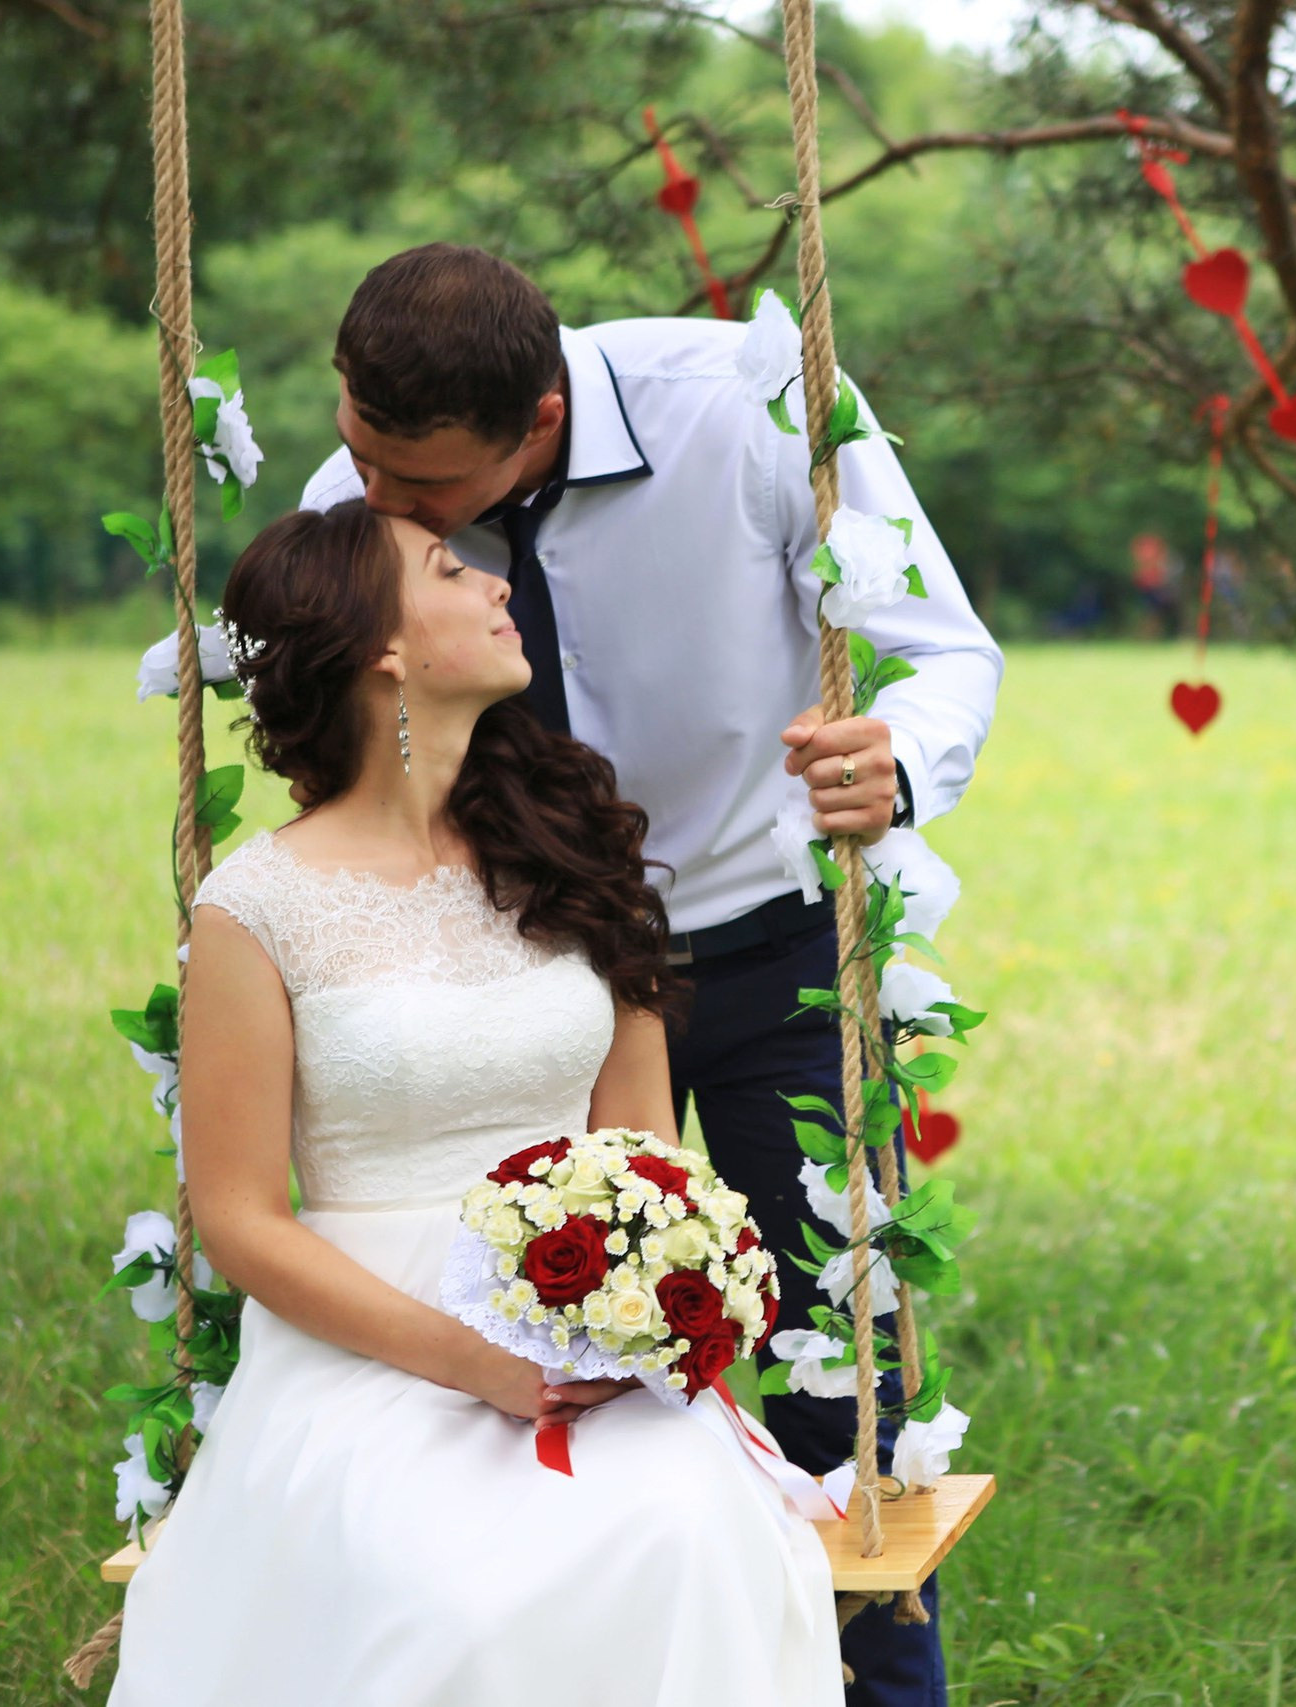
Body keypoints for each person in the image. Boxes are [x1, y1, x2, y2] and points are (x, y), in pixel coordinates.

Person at [300, 242, 1001, 1704]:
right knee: (545, 1381)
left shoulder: (752, 408)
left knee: (833, 1380)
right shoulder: (356, 504)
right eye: (359, 448)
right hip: (521, 987)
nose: (373, 498)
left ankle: (877, 1690)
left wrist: (902, 757)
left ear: (540, 420)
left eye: (419, 484)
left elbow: (945, 652)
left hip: (767, 957)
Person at [108, 501, 842, 1705]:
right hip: (369, 1344)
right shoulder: (255, 907)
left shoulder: (574, 860)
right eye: (450, 570)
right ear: (381, 648)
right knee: (453, 1596)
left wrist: (640, 1320)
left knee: (679, 1532)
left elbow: (645, 1154)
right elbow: (238, 1220)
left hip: (584, 1330)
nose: (497, 586)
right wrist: (473, 1362)